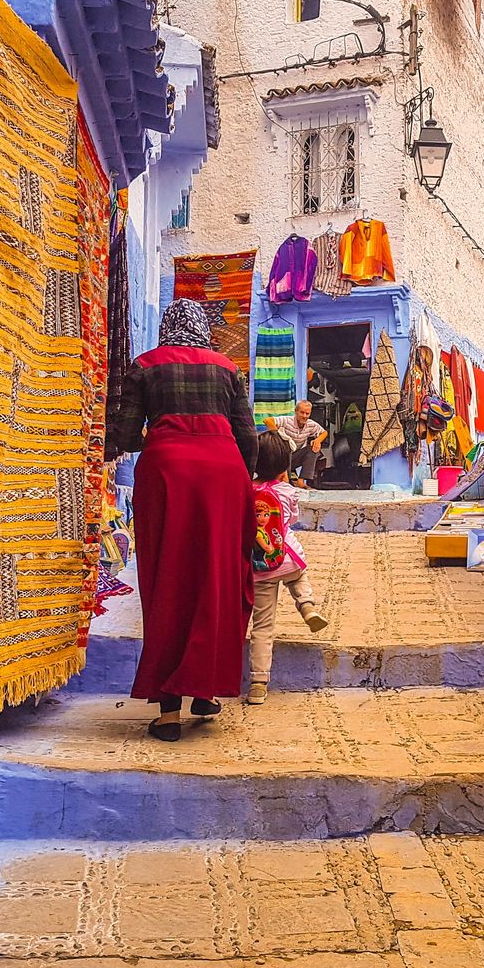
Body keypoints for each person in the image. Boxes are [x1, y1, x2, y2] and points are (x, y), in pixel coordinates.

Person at [108, 299, 257, 741]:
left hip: (167, 473)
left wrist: (160, 432)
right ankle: (205, 691)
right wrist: (242, 486)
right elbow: (246, 435)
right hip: (223, 476)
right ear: (201, 328)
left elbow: (125, 434)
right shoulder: (228, 369)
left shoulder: (145, 365)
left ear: (167, 327)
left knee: (167, 581)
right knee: (217, 578)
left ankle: (169, 711)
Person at [248, 432, 329, 704]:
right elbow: (291, 518)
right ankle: (307, 606)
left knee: (262, 625)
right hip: (287, 558)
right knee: (299, 574)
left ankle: (258, 683)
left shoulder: (247, 491)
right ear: (285, 466)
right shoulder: (288, 491)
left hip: (260, 566)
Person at [263, 399, 327, 487]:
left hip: (294, 458)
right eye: (302, 412)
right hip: (280, 459)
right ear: (296, 412)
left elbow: (324, 433)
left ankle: (301, 481)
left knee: (312, 449)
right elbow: (267, 420)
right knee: (287, 447)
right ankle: (286, 481)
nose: (304, 416)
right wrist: (278, 438)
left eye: (307, 413)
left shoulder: (311, 424)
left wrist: (317, 441)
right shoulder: (287, 420)